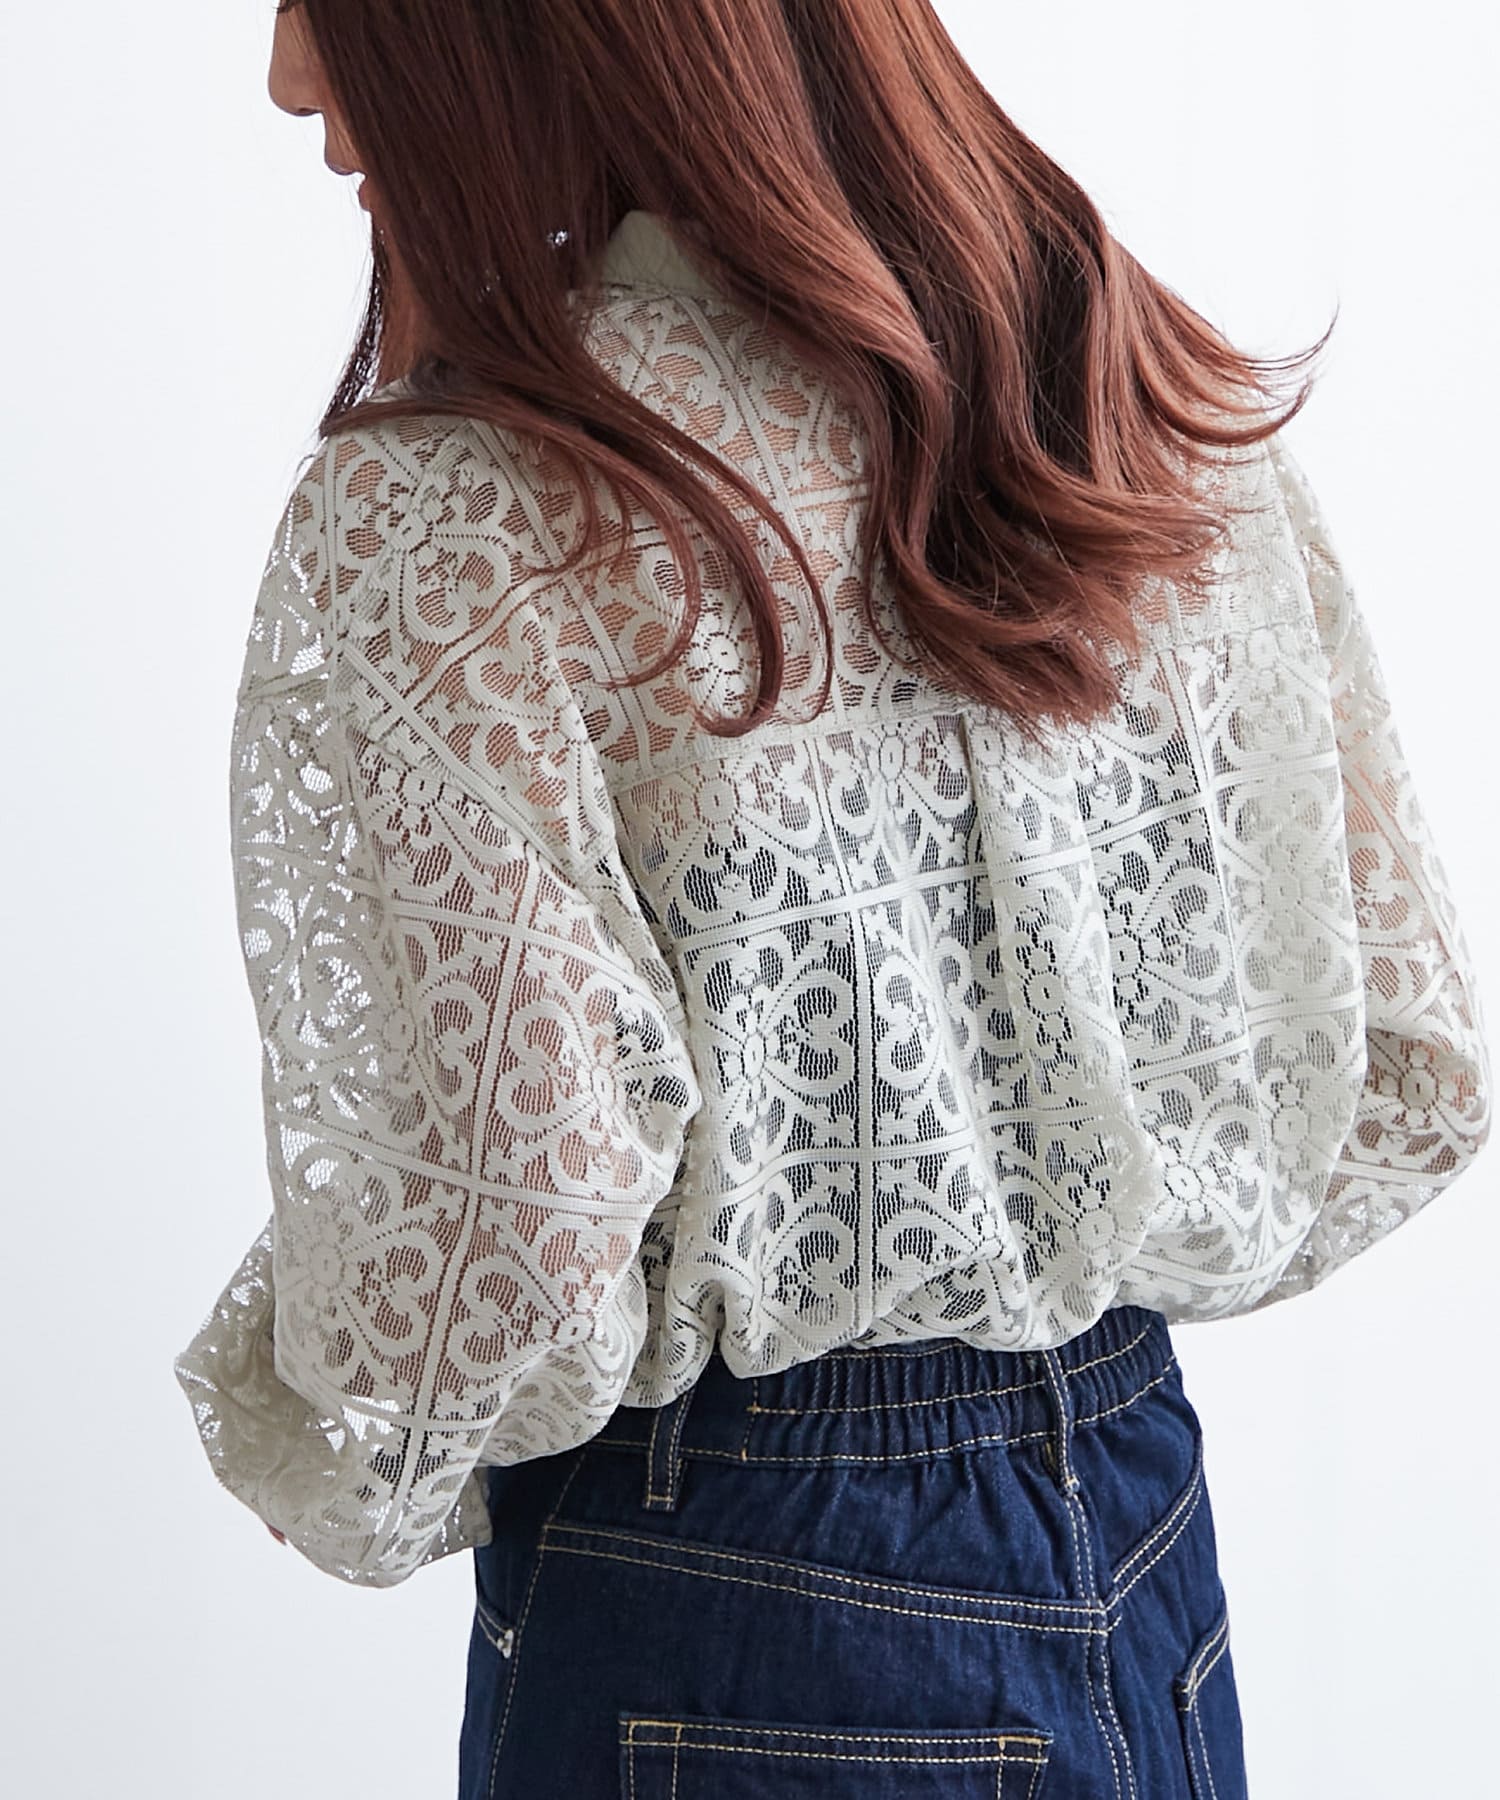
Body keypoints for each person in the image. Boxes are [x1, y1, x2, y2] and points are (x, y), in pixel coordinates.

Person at [172, 4, 1491, 1795]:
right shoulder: (1126, 383)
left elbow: (526, 1208)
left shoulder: (459, 506)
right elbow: (1404, 1051)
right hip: (1139, 1526)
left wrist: (340, 1432)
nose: (287, 72)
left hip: (726, 1593)